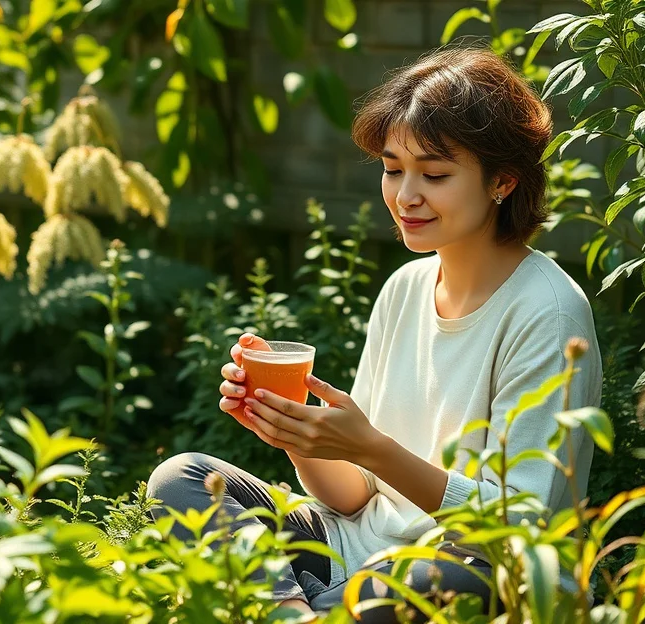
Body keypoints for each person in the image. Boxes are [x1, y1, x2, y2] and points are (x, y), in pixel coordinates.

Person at [146, 46, 603, 620]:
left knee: (435, 579)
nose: (405, 195)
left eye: (434, 175)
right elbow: (353, 496)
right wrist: (296, 433)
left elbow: (515, 525)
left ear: (502, 183)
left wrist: (371, 447)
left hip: (472, 565)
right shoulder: (405, 288)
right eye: (392, 169)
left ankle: (285, 606)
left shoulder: (548, 312)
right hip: (353, 552)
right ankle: (297, 610)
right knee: (182, 480)